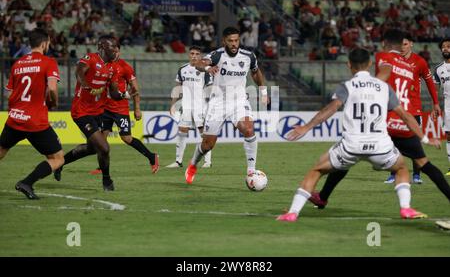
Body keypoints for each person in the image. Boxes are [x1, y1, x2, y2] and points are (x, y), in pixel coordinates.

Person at [277, 48, 439, 222]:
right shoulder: (384, 87)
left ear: (349, 65)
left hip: (351, 146)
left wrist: (306, 127)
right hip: (380, 145)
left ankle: (293, 212)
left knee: (316, 170)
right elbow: (406, 116)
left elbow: (331, 109)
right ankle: (406, 208)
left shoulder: (347, 86)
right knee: (401, 168)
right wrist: (424, 138)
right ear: (369, 65)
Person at [309, 30, 450, 209]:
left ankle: (322, 196)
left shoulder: (386, 57)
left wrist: (368, 88)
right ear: (401, 45)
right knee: (424, 162)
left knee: (348, 154)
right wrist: (425, 136)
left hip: (385, 121)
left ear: (385, 44)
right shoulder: (408, 65)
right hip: (406, 120)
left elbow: (384, 73)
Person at [184, 27, 269, 184]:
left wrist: (263, 90)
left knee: (248, 129)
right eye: (230, 41)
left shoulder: (248, 56)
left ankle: (251, 171)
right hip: (218, 103)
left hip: (239, 101)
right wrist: (209, 68)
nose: (234, 44)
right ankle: (193, 164)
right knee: (208, 145)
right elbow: (199, 64)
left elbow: (255, 72)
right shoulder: (217, 55)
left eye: (236, 40)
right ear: (224, 41)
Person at [53, 35, 125, 191]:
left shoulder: (112, 67)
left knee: (92, 148)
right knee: (104, 148)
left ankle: (59, 163)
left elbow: (113, 92)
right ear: (102, 47)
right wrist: (86, 85)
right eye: (113, 47)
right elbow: (79, 72)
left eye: (117, 47)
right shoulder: (90, 58)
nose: (116, 50)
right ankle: (107, 181)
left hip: (99, 111)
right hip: (82, 111)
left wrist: (123, 95)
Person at [0, 28, 64, 199]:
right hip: (35, 122)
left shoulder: (18, 63)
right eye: (48, 43)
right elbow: (52, 88)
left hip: (15, 118)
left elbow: (8, 94)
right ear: (44, 43)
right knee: (58, 158)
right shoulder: (48, 62)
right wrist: (54, 102)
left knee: (1, 151)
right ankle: (27, 182)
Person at [89, 47, 159, 175]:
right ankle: (102, 167)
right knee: (102, 141)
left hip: (120, 110)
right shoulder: (105, 65)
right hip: (105, 109)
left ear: (120, 52)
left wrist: (137, 108)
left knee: (126, 138)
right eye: (112, 51)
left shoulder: (125, 67)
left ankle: (151, 156)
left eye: (116, 51)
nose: (114, 54)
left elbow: (135, 88)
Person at [383, 34, 440, 184]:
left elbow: (429, 82)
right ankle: (393, 173)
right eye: (400, 44)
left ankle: (416, 174)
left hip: (414, 109)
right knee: (392, 143)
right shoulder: (394, 61)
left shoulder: (419, 62)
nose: (402, 47)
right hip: (396, 108)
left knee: (415, 142)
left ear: (412, 44)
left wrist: (435, 103)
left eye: (405, 44)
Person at [166, 46, 212, 169]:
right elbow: (177, 88)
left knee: (203, 133)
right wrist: (173, 105)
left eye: (197, 53)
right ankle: (178, 161)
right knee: (182, 131)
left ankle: (207, 161)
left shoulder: (205, 71)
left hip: (200, 106)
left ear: (200, 56)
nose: (194, 56)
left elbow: (210, 89)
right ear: (188, 55)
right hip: (186, 106)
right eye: (192, 53)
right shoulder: (182, 69)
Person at [433, 37, 450, 176]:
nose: (445, 48)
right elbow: (436, 90)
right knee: (449, 135)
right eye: (443, 46)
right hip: (448, 104)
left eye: (448, 46)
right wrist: (435, 105)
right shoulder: (438, 69)